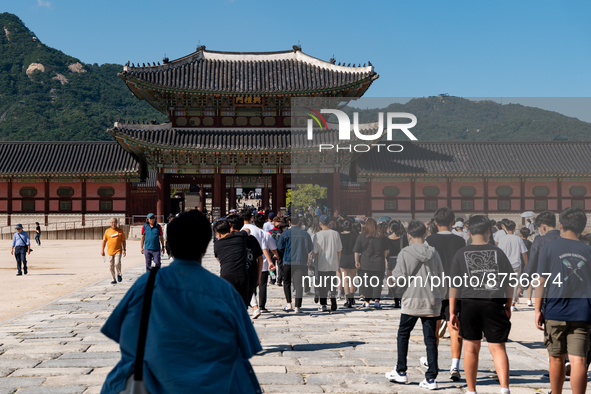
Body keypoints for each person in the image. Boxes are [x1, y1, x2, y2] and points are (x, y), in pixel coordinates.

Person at [101, 210, 262, 394]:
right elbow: (247, 348)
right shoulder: (224, 291)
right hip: (214, 385)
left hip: (155, 384)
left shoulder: (146, 285)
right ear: (206, 245)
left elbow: (119, 334)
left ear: (169, 243)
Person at [449, 215, 514, 394]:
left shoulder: (461, 253)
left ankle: (471, 390)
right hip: (493, 303)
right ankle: (504, 388)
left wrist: (453, 311)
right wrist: (508, 304)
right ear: (488, 231)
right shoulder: (497, 252)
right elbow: (510, 282)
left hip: (469, 303)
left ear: (469, 232)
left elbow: (454, 285)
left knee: (470, 348)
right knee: (498, 347)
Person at [535, 207, 591, 394]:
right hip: (582, 312)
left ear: (560, 225)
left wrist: (537, 310)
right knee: (579, 360)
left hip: (555, 310)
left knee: (556, 358)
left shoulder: (548, 248)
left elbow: (541, 281)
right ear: (582, 228)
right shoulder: (588, 250)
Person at [386, 221, 443, 390]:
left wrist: (391, 281)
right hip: (431, 300)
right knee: (431, 339)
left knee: (403, 335)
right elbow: (441, 276)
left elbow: (399, 277)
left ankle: (401, 371)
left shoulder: (405, 252)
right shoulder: (434, 253)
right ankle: (432, 377)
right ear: (425, 234)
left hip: (412, 299)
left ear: (409, 235)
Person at [424, 207, 467, 381]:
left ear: (435, 222)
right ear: (452, 222)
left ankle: (432, 361)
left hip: (434, 287)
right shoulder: (460, 241)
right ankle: (455, 365)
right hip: (454, 287)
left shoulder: (429, 239)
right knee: (454, 324)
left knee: (432, 325)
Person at [277, 215, 313, 313]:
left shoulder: (285, 234)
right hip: (301, 262)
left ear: (289, 222)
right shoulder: (305, 234)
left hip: (288, 261)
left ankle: (289, 304)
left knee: (287, 282)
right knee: (299, 285)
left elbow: (279, 247)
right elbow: (310, 248)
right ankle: (298, 306)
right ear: (299, 222)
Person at [354, 217, 389, 309]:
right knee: (377, 283)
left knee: (367, 283)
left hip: (365, 263)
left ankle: (367, 301)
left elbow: (356, 251)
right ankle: (377, 301)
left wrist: (357, 261)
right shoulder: (381, 236)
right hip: (378, 263)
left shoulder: (361, 236)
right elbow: (386, 250)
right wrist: (383, 258)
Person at [312, 214, 342, 312]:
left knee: (323, 285)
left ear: (320, 224)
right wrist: (338, 262)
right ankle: (333, 297)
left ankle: (324, 304)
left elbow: (314, 252)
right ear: (329, 222)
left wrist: (313, 259)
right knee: (332, 283)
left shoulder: (317, 235)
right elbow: (339, 250)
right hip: (333, 262)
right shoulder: (335, 234)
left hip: (322, 263)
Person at [497, 220, 528, 311]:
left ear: (505, 228)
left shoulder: (502, 239)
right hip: (516, 264)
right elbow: (524, 253)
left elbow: (499, 252)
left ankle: (505, 301)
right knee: (514, 284)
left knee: (504, 282)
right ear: (514, 228)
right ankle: (512, 303)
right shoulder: (518, 239)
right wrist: (526, 263)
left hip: (504, 264)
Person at [339, 218, 359, 308]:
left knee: (345, 280)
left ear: (343, 226)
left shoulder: (339, 235)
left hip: (343, 257)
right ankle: (352, 298)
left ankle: (347, 299)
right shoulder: (355, 235)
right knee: (352, 279)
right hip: (353, 257)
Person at [101, 218, 127, 284]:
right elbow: (104, 241)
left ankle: (119, 274)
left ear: (117, 223)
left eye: (115, 222)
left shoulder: (120, 231)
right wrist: (102, 250)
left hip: (118, 250)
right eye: (112, 222)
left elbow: (123, 241)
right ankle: (113, 279)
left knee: (117, 263)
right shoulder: (107, 231)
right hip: (110, 251)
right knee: (111, 266)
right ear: (110, 223)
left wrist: (124, 249)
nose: (113, 224)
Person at [519, 227, 533, 306]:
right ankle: (529, 299)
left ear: (521, 234)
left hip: (520, 262)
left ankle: (516, 298)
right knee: (529, 281)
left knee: (518, 280)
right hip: (529, 263)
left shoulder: (519, 242)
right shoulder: (530, 244)